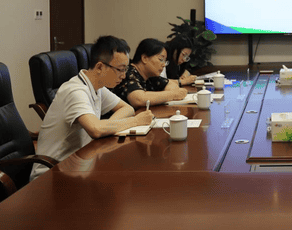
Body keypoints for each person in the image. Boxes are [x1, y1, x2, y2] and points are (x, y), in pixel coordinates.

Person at [30, 36, 154, 180]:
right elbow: (95, 129)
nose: (124, 75)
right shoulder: (75, 91)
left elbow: (127, 109)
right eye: (120, 69)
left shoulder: (97, 87)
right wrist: (136, 121)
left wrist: (107, 127)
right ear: (100, 67)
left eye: (125, 69)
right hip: (52, 174)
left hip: (80, 164)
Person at [112, 38, 188, 108]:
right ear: (144, 58)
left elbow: (171, 84)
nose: (164, 65)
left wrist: (164, 95)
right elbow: (138, 99)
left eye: (165, 61)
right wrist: (173, 95)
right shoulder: (128, 73)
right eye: (161, 59)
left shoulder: (150, 75)